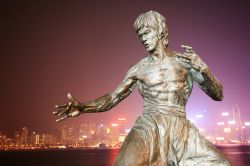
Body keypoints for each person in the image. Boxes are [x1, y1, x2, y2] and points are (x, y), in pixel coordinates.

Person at [53, 11, 231, 166]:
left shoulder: (185, 63)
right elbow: (111, 99)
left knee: (222, 164)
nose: (143, 39)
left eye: (147, 33)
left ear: (160, 31)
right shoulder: (138, 69)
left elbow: (218, 94)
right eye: (140, 36)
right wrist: (83, 107)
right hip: (148, 127)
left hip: (181, 130)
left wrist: (205, 70)